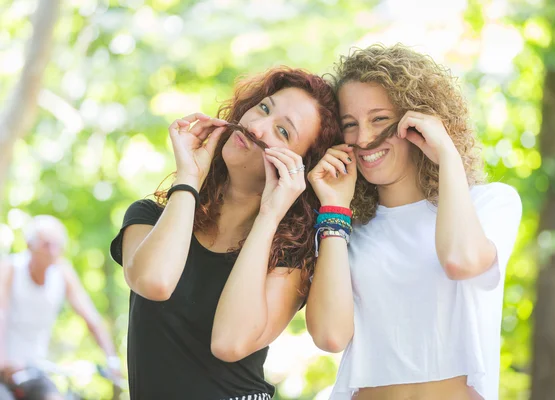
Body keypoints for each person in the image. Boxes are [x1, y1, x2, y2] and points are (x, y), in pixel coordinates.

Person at [109, 66, 341, 399]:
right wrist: (189, 176)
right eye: (263, 108)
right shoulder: (150, 217)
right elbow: (155, 281)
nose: (256, 127)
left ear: (299, 167)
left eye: (283, 131)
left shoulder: (292, 256)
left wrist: (269, 215)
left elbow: (229, 342)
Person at [305, 44, 522, 400]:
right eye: (350, 125)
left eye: (378, 119)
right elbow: (330, 335)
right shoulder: (342, 229)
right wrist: (333, 208)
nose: (362, 138)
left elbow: (461, 260)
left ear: (417, 121)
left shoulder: (488, 203)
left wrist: (447, 154)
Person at [0, 215, 121, 400]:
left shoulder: (62, 272)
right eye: (46, 245)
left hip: (35, 368)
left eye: (57, 245)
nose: (52, 251)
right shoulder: (10, 269)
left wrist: (112, 359)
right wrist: (2, 360)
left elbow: (91, 318)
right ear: (29, 245)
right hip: (5, 366)